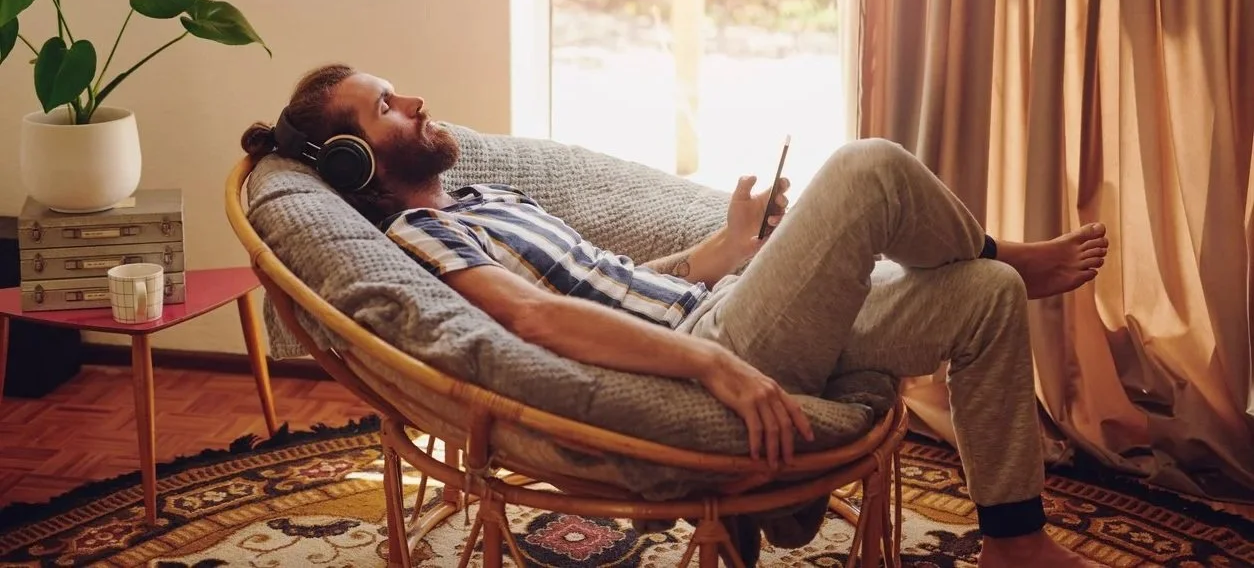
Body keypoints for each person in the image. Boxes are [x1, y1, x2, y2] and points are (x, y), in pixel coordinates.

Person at [241, 63, 1110, 568]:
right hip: (707, 347)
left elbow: (606, 284)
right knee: (870, 167)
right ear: (356, 160)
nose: (417, 102)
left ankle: (1013, 542)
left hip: (720, 309)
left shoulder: (480, 195)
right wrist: (710, 365)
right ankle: (1004, 252)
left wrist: (728, 250)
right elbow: (538, 323)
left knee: (983, 303)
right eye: (387, 106)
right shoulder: (424, 233)